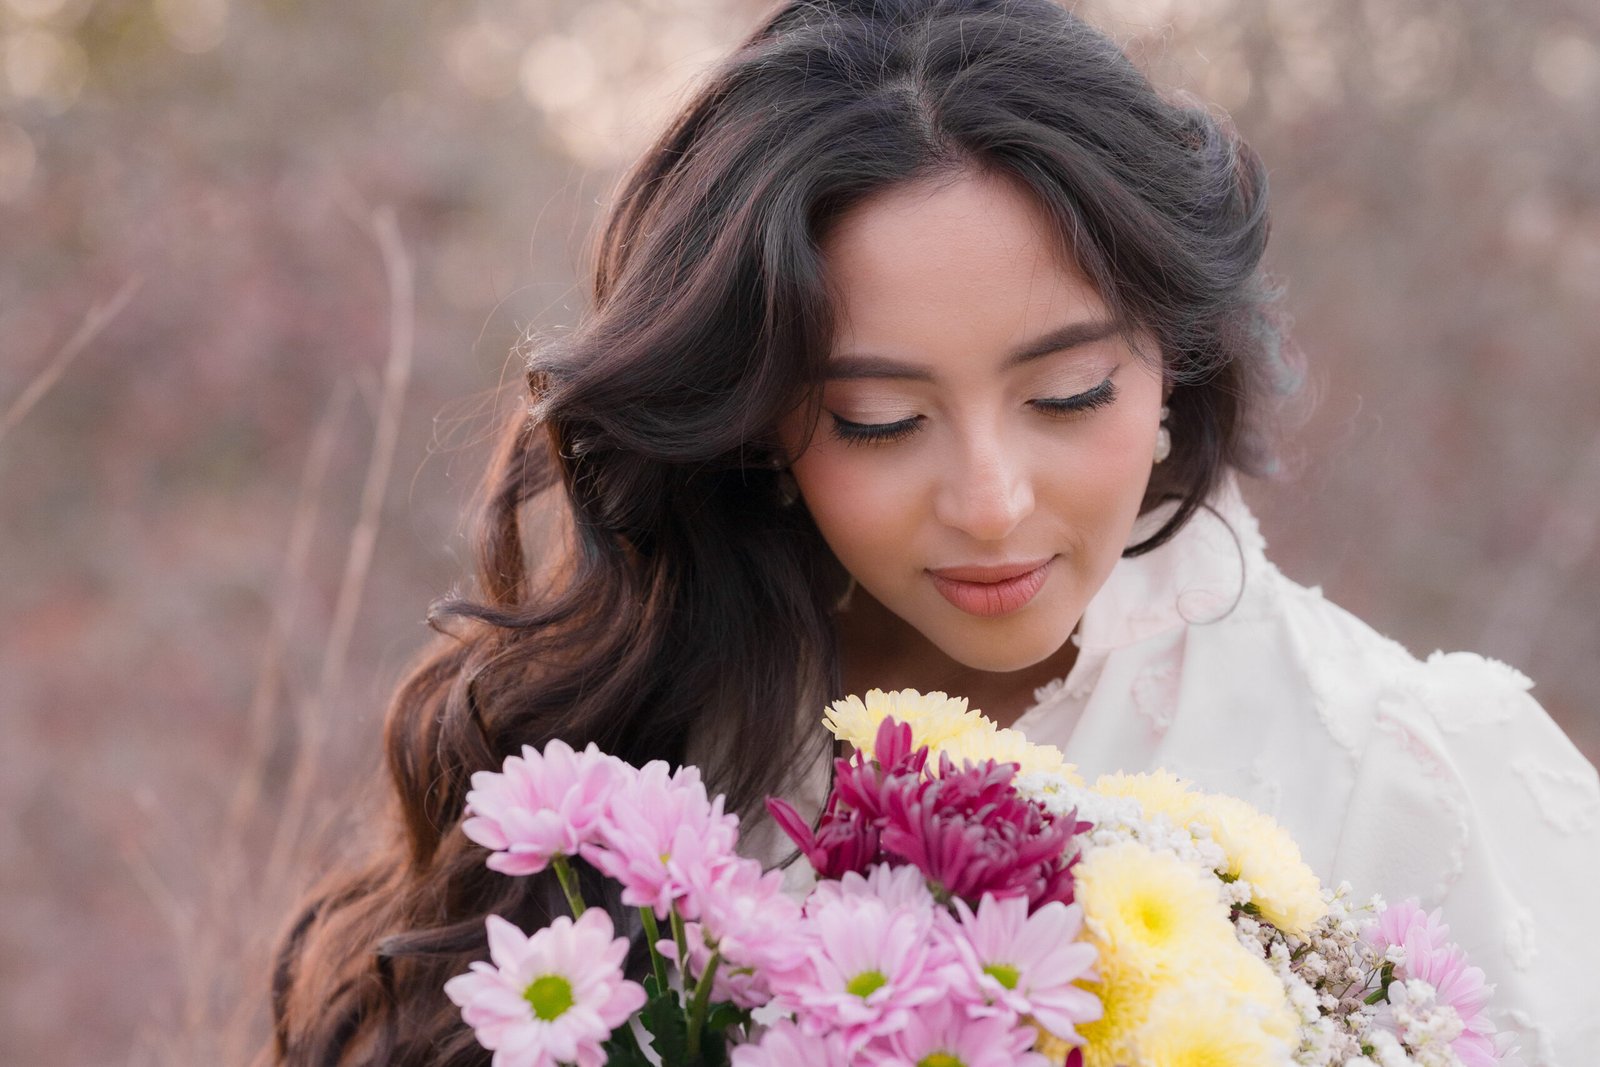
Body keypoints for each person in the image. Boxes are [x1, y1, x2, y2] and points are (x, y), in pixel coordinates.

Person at [265, 0, 1600, 1063]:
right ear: (763, 429)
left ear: (1172, 369)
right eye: (879, 421)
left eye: (1069, 395)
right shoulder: (671, 741)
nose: (993, 501)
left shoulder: (1411, 778)